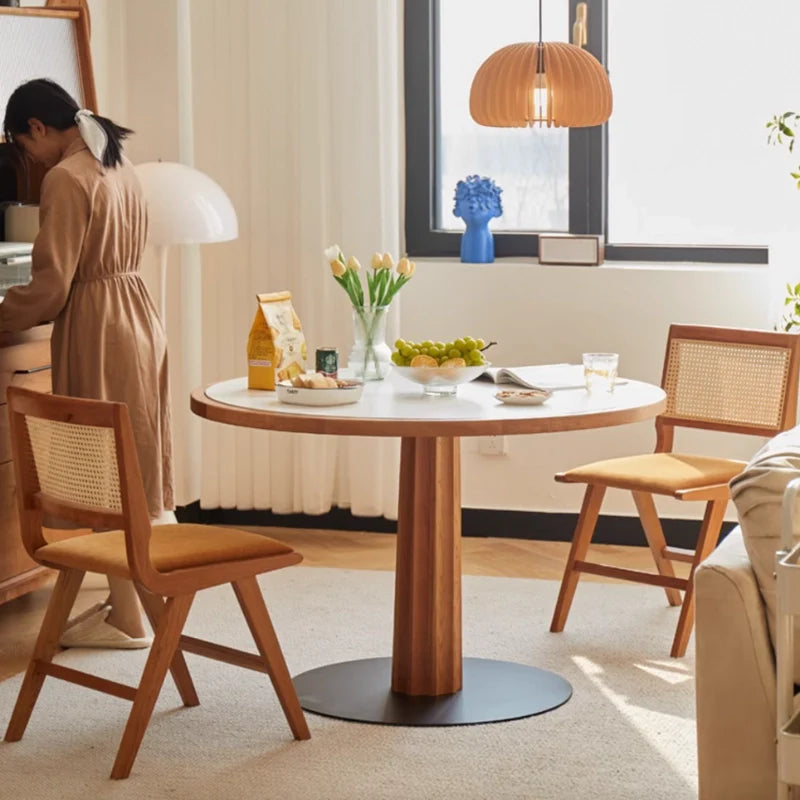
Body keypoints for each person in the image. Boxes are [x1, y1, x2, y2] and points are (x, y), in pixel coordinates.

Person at [0, 79, 174, 648]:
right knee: (132, 460)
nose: (29, 161)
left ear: (38, 128)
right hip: (138, 318)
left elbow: (51, 288)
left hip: (98, 325)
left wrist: (3, 311)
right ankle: (136, 606)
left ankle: (129, 616)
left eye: (24, 148)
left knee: (99, 468)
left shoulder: (65, 178)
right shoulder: (119, 166)